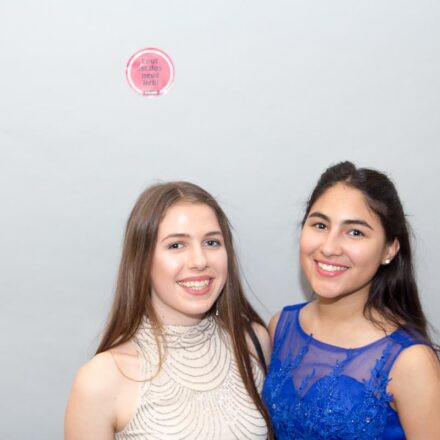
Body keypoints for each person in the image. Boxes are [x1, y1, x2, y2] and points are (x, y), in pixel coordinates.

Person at [65, 181, 272, 440]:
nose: (199, 261)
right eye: (176, 245)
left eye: (211, 242)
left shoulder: (253, 342)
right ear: (142, 260)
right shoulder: (101, 379)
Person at [263, 161, 440, 439]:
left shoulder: (411, 361)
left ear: (390, 249)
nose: (329, 247)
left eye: (355, 232)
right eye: (320, 225)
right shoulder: (281, 327)